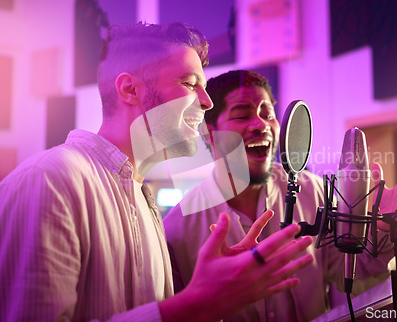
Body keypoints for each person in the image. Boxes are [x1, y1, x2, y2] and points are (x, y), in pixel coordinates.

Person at [0, 24, 315, 322]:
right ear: (130, 89)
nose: (206, 103)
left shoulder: (143, 200)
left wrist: (216, 297)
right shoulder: (49, 180)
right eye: (190, 84)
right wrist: (197, 303)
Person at [163, 69, 397, 321]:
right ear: (211, 134)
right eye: (242, 115)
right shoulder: (177, 229)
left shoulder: (314, 191)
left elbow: (349, 277)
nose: (261, 124)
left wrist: (382, 230)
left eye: (267, 113)